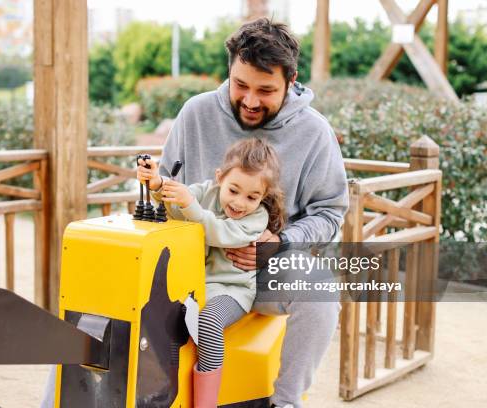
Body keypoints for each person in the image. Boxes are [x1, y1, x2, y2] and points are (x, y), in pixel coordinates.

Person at [157, 18, 348, 408]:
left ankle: (286, 402)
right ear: (229, 72)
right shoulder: (195, 113)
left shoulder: (314, 132)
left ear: (291, 80)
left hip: (258, 271)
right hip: (188, 266)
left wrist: (281, 242)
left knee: (321, 292)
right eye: (240, 85)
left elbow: (330, 213)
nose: (249, 100)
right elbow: (162, 183)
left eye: (265, 90)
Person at [138, 138, 286, 408]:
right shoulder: (205, 192)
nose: (240, 203)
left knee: (207, 322)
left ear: (263, 197)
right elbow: (175, 205)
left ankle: (206, 403)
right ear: (219, 178)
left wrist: (190, 204)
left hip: (232, 291)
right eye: (233, 190)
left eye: (252, 197)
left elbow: (218, 232)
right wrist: (158, 184)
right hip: (195, 287)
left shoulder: (257, 218)